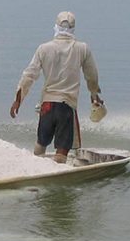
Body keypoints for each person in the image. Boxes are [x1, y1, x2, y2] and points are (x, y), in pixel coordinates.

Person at [9, 10, 103, 162]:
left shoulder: (44, 48)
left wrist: (18, 100)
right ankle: (57, 172)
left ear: (56, 27)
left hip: (47, 104)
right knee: (62, 148)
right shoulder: (82, 48)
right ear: (73, 28)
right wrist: (94, 94)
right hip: (66, 105)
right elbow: (91, 75)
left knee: (41, 143)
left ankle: (35, 169)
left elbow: (29, 75)